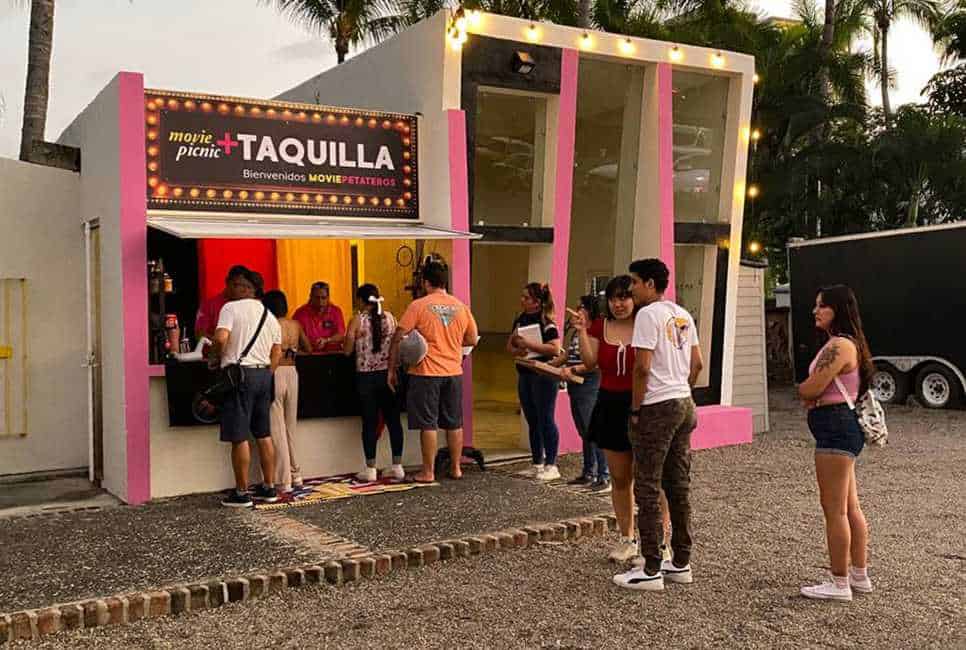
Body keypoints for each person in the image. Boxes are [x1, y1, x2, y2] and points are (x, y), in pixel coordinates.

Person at [614, 258, 703, 592]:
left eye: (634, 282)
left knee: (647, 485)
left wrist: (637, 410)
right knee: (678, 484)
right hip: (683, 400)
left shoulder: (648, 316)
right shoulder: (682, 314)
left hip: (657, 404)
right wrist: (684, 389)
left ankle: (650, 566)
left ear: (650, 284)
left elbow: (642, 368)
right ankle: (681, 561)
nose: (631, 289)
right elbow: (697, 362)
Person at [796, 285, 874, 602]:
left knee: (834, 510)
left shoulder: (839, 345)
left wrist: (806, 390)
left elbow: (812, 388)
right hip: (840, 427)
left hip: (835, 429)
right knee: (849, 506)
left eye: (821, 306)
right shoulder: (845, 344)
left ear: (837, 310)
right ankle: (859, 576)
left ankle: (839, 582)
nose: (815, 311)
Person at [567, 276, 640, 562]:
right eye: (613, 298)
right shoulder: (601, 325)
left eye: (624, 297)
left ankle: (660, 541)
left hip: (642, 402)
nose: (619, 303)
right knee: (621, 478)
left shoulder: (646, 325)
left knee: (651, 479)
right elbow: (591, 361)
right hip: (610, 402)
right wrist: (583, 331)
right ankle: (627, 538)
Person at [388, 256, 479, 483]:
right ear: (445, 282)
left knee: (428, 423)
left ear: (426, 282)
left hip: (426, 372)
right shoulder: (461, 307)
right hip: (453, 371)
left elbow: (398, 336)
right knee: (454, 421)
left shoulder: (418, 306)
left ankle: (427, 472)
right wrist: (452, 345)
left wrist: (392, 367)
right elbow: (471, 338)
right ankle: (456, 468)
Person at [210, 269, 283, 508]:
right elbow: (277, 352)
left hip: (239, 377)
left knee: (239, 435)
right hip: (263, 375)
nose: (227, 290)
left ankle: (241, 492)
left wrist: (215, 358)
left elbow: (221, 338)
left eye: (231, 285)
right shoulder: (269, 315)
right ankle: (269, 487)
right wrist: (265, 374)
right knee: (263, 433)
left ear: (244, 287)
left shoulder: (230, 309)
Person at [344, 283, 406, 483]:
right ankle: (397, 466)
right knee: (393, 420)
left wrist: (352, 338)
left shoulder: (357, 320)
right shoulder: (391, 318)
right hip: (389, 376)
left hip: (365, 377)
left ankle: (370, 468)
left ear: (361, 301)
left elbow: (346, 351)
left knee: (369, 422)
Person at [509, 283, 563, 481]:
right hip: (525, 373)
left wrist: (529, 344)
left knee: (546, 418)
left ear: (537, 302)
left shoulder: (546, 321)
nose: (522, 300)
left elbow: (555, 348)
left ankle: (551, 463)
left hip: (543, 375)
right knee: (532, 419)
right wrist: (518, 350)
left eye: (526, 298)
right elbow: (511, 344)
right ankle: (537, 462)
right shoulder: (521, 319)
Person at [554, 294, 606, 489]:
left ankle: (603, 474)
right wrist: (549, 366)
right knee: (584, 431)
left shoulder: (593, 332)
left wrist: (573, 369)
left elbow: (593, 362)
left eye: (580, 307)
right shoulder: (578, 332)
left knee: (592, 429)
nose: (576, 311)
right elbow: (569, 354)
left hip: (588, 383)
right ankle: (588, 472)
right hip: (574, 383)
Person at [262, 290, 311, 493]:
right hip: (293, 372)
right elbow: (308, 347)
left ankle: (283, 479)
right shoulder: (295, 325)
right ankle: (296, 473)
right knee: (290, 427)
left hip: (275, 372)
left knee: (277, 429)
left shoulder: (269, 325)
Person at [195, 265, 250, 340]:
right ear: (227, 281)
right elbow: (199, 334)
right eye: (236, 285)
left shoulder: (247, 305)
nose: (241, 289)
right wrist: (219, 344)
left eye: (245, 286)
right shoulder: (209, 305)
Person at [293, 281, 346, 353]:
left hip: (332, 355)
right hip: (309, 356)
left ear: (328, 298)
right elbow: (294, 338)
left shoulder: (336, 311)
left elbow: (341, 335)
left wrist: (327, 340)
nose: (320, 302)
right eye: (317, 298)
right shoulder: (300, 313)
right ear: (310, 296)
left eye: (323, 298)